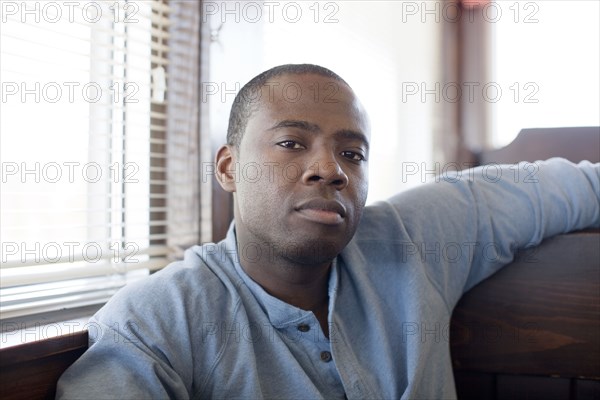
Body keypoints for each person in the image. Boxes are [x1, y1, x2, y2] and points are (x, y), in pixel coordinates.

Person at [56, 64, 600, 399]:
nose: (331, 169)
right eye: (292, 143)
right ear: (228, 168)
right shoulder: (155, 323)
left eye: (351, 153)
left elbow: (577, 188)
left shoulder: (417, 236)